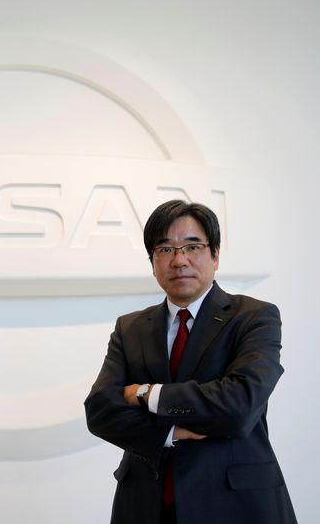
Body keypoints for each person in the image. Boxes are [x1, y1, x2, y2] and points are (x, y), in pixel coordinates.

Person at [84, 200, 296, 524]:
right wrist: (173, 433)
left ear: (216, 255)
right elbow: (100, 411)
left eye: (192, 246)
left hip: (236, 505)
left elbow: (239, 405)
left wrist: (145, 394)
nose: (179, 260)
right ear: (152, 262)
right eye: (165, 249)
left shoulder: (254, 317)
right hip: (146, 505)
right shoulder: (130, 328)